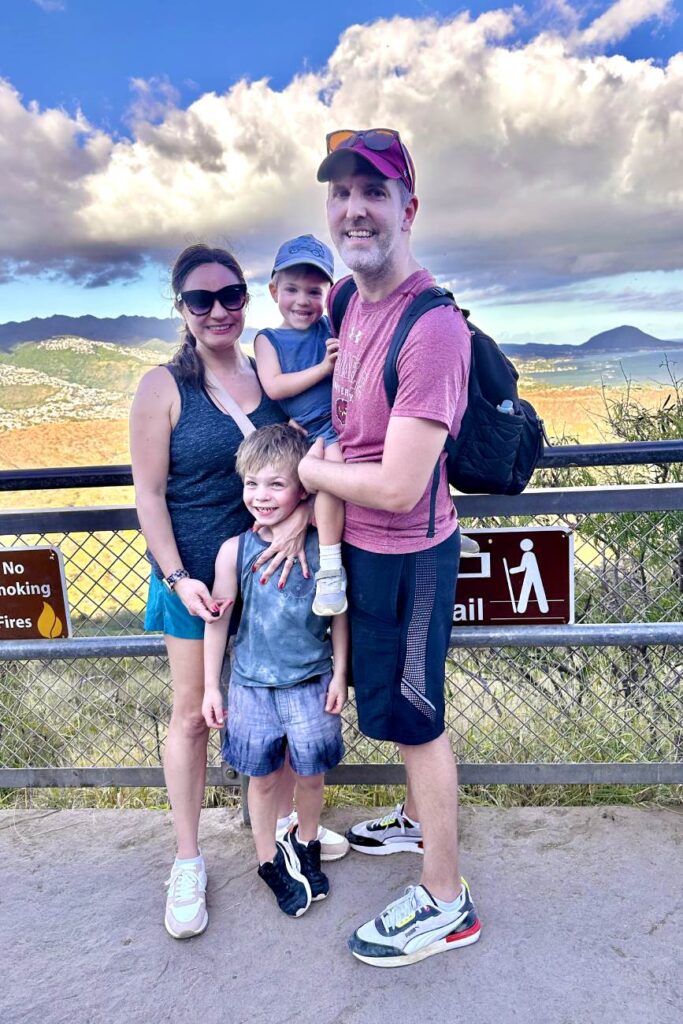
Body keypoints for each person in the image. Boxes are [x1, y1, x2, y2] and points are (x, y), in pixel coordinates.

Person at [298, 129, 482, 966]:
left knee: (416, 721)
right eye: (339, 193)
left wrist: (308, 470)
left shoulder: (432, 327)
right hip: (366, 550)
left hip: (408, 552)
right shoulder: (347, 300)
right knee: (391, 706)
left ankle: (448, 901)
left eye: (372, 192)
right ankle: (416, 820)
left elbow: (404, 484)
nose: (352, 209)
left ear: (408, 209)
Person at [129, 244, 345, 940]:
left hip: (274, 583)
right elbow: (149, 494)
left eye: (229, 295)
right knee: (192, 717)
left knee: (277, 704)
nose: (217, 309)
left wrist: (306, 518)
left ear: (246, 298)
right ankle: (187, 859)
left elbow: (311, 467)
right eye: (200, 299)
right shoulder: (162, 387)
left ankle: (284, 829)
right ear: (181, 309)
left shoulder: (269, 377)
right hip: (193, 580)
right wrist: (177, 577)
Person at [202, 424, 348, 917]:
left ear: (302, 488)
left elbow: (338, 611)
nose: (261, 496)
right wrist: (210, 687)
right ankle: (268, 859)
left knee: (310, 774)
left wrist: (341, 671)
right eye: (252, 484)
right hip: (251, 687)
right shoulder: (233, 551)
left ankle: (305, 845)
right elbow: (219, 624)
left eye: (276, 484)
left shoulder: (324, 544)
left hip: (311, 682)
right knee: (261, 780)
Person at [254, 234, 347, 617]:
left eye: (314, 291)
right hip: (315, 433)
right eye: (291, 289)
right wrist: (325, 368)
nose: (303, 301)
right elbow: (275, 386)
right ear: (274, 290)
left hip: (349, 422)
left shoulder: (331, 327)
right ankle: (330, 567)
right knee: (330, 475)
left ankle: (437, 527)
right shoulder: (268, 340)